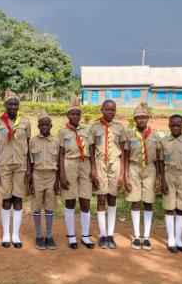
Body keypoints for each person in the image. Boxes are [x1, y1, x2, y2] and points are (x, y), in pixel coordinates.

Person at [0, 90, 32, 248]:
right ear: (5, 105)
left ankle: (15, 235)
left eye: (15, 104)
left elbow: (28, 147)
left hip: (21, 165)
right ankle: (6, 234)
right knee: (6, 199)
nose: (13, 107)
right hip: (4, 165)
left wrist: (29, 169)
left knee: (18, 199)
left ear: (18, 105)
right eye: (10, 104)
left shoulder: (25, 122)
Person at [89, 100, 125, 249]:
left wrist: (122, 173)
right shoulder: (95, 127)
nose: (110, 112)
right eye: (107, 109)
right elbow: (91, 149)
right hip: (100, 164)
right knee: (101, 198)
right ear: (102, 110)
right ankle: (103, 235)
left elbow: (123, 151)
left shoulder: (119, 128)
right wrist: (93, 168)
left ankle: (110, 234)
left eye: (113, 110)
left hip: (115, 164)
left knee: (112, 198)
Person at [59, 95, 94, 249]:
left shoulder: (87, 130)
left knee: (85, 200)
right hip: (69, 165)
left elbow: (91, 149)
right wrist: (62, 174)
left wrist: (93, 168)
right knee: (70, 200)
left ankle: (85, 236)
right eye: (72, 114)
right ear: (68, 115)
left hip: (85, 165)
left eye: (78, 114)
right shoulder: (62, 132)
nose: (75, 116)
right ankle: (72, 236)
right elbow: (60, 154)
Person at [125, 103, 161, 251]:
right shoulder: (129, 134)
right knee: (135, 201)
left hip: (150, 169)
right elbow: (126, 156)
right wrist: (125, 175)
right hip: (134, 168)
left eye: (144, 117)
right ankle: (136, 235)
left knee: (148, 201)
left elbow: (158, 158)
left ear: (148, 118)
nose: (141, 120)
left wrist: (158, 177)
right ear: (135, 119)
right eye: (138, 117)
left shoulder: (155, 135)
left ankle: (146, 236)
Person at [158, 114, 182, 253]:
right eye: (172, 125)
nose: (175, 128)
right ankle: (171, 239)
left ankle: (179, 239)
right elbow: (161, 163)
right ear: (169, 126)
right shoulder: (164, 142)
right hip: (169, 176)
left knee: (181, 208)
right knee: (169, 208)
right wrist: (162, 181)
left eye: (178, 125)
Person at [28, 110, 59, 250]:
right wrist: (30, 180)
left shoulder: (56, 141)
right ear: (38, 126)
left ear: (51, 126)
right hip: (37, 176)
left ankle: (49, 236)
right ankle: (39, 236)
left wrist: (57, 181)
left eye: (47, 124)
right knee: (36, 206)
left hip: (52, 176)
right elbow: (29, 161)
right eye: (42, 125)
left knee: (50, 207)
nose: (44, 127)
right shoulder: (32, 141)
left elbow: (59, 161)